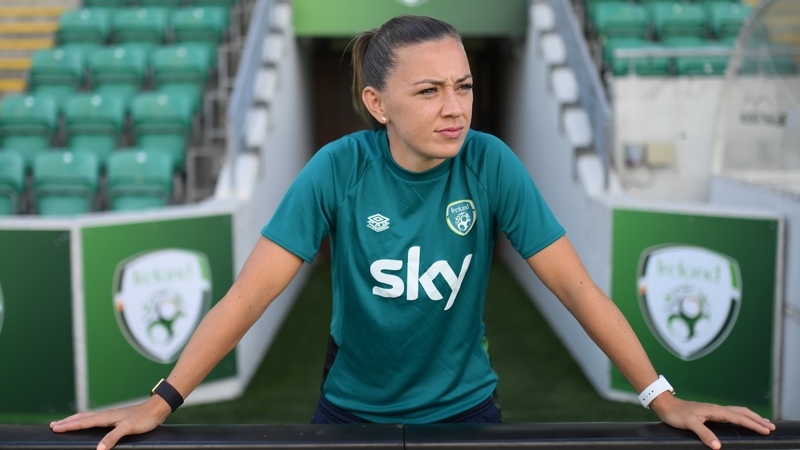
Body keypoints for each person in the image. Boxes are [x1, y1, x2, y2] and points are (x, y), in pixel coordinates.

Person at [51, 15, 775, 450]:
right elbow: (249, 296)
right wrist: (162, 400)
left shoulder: (490, 163)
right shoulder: (337, 168)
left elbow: (576, 288)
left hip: (469, 412)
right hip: (347, 414)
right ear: (378, 104)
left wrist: (661, 397)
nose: (454, 107)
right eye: (428, 91)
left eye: (463, 85)